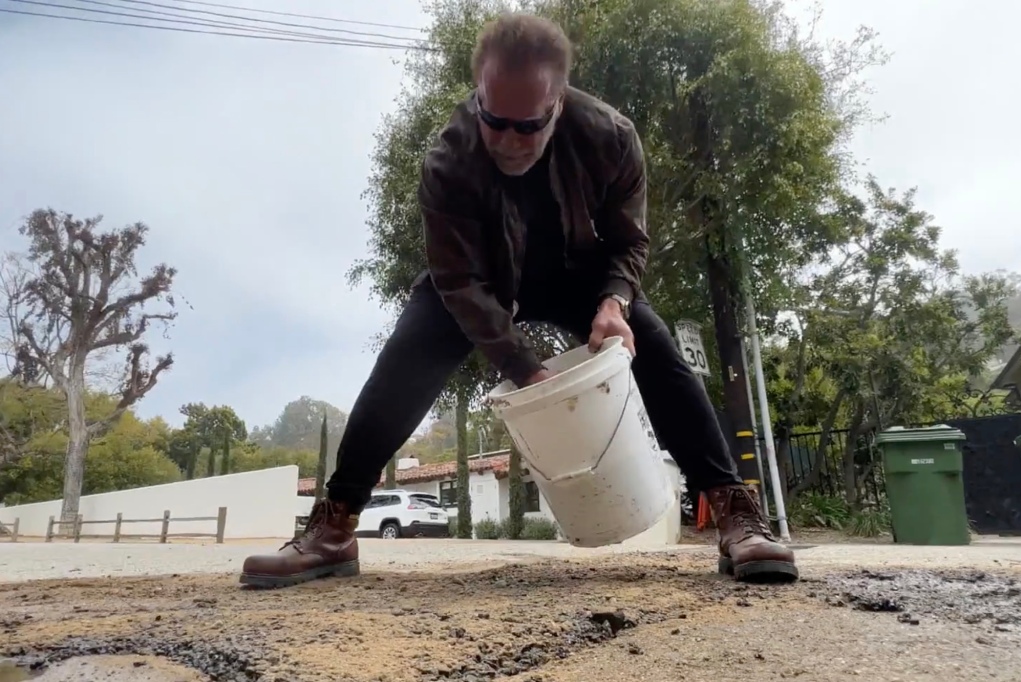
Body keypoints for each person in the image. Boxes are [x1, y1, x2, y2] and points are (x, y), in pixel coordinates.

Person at [240, 12, 797, 589]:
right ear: (479, 94)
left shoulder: (611, 137)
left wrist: (613, 303)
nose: (507, 141)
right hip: (480, 280)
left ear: (557, 102)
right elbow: (455, 280)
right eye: (492, 120)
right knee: (405, 360)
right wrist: (524, 368)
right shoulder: (448, 161)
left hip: (577, 273)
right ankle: (334, 528)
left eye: (526, 126)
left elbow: (630, 242)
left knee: (653, 347)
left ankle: (737, 516)